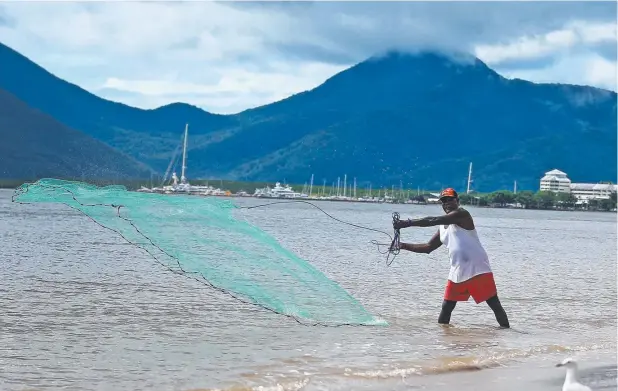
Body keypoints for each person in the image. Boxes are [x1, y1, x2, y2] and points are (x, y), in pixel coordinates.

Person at [393, 188, 510, 328]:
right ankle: (443, 341)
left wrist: (407, 223)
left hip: (477, 269)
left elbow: (432, 220)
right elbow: (428, 247)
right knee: (446, 307)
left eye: (450, 199)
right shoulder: (443, 227)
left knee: (494, 304)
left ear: (457, 201)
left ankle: (507, 335)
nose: (447, 203)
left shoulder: (462, 214)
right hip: (457, 272)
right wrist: (402, 245)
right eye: (444, 201)